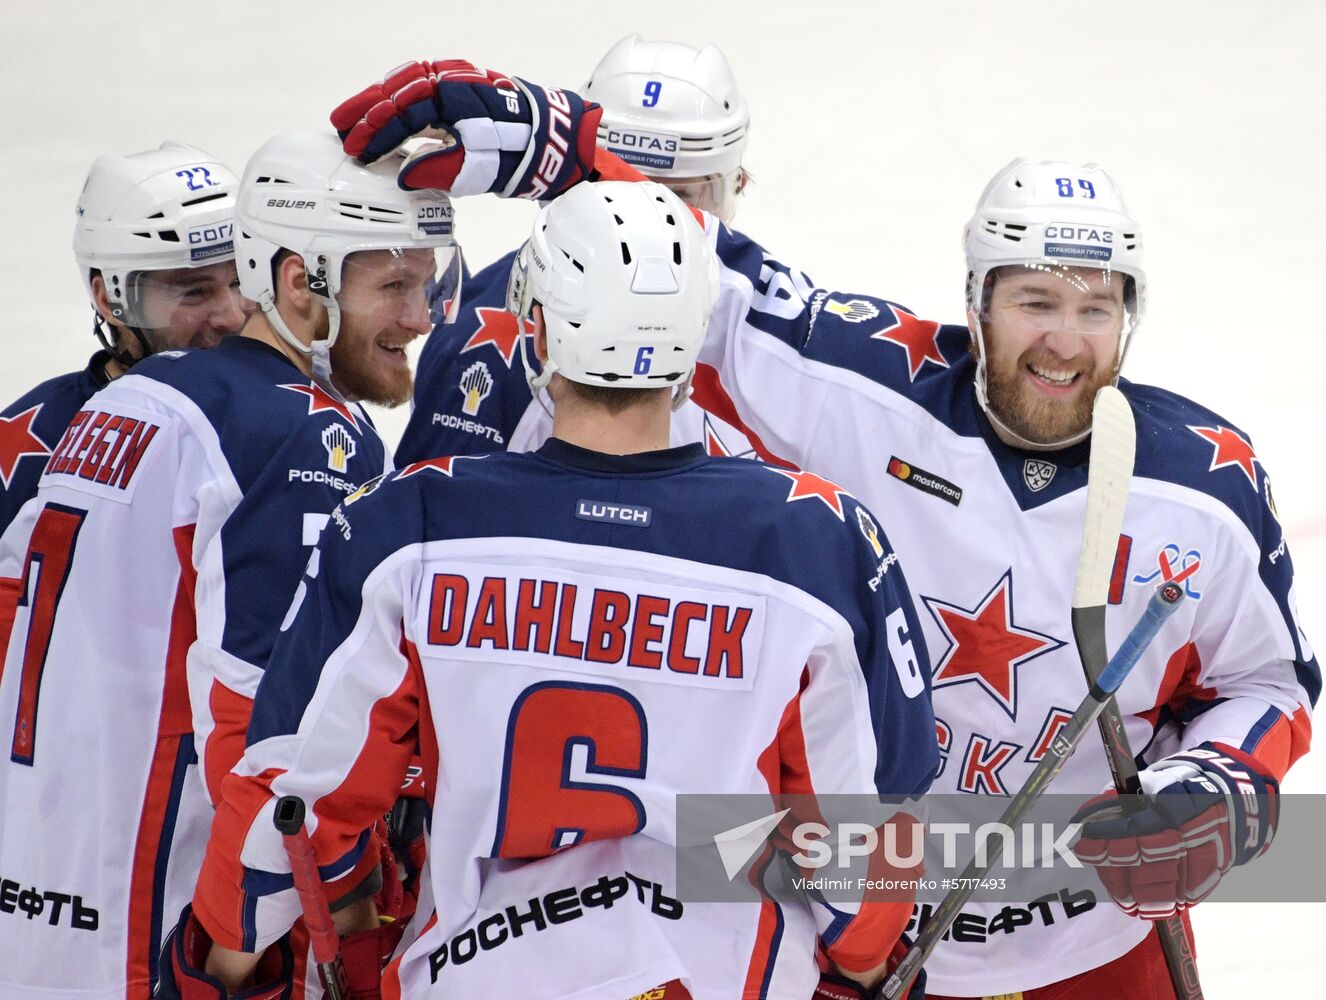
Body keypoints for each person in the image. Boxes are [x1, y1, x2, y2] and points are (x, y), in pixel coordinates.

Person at [330, 64, 1317, 998]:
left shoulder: (1208, 484)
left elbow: (1269, 684)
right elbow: (701, 265)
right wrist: (571, 145)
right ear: (977, 299)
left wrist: (1220, 782)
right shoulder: (863, 385)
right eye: (1035, 301)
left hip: (1097, 932)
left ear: (1130, 319)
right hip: (879, 923)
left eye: (1095, 308)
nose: (1064, 338)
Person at [163, 181, 937, 999]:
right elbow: (867, 839)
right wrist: (861, 972)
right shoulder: (818, 539)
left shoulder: (409, 523)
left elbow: (294, 803)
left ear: (535, 326)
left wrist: (220, 966)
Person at [0, 130, 463, 999]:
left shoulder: (121, 404)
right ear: (297, 280)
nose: (422, 315)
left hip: (37, 906)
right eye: (392, 284)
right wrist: (241, 953)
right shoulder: (308, 433)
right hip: (158, 927)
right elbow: (275, 737)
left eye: (428, 281)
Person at [393, 37, 758, 467]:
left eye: (681, 199)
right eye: (614, 189)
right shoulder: (485, 337)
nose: (652, 221)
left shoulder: (758, 339)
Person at [0, 142, 247, 538]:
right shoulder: (33, 442)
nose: (232, 317)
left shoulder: (307, 413)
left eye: (242, 281)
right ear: (110, 298)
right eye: (193, 292)